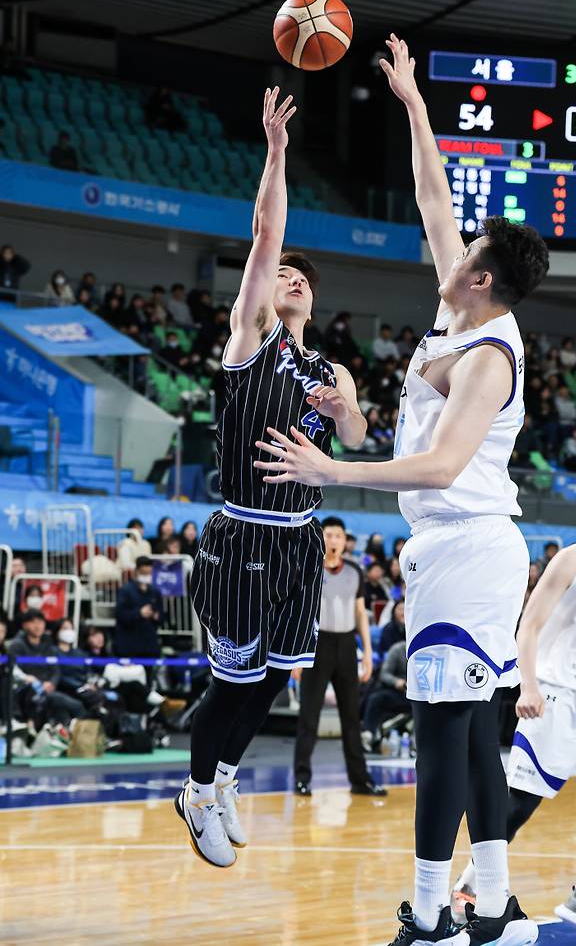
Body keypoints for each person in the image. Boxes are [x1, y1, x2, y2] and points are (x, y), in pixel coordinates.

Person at [253, 35, 548, 945]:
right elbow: (433, 198)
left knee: (438, 731)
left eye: (467, 252)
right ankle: (490, 904)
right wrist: (416, 105)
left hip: (466, 542)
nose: (450, 249)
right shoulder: (454, 317)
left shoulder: (490, 355)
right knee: (464, 735)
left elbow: (441, 466)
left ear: (483, 277)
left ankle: (431, 911)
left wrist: (335, 470)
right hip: (458, 550)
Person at [175, 86, 366, 869]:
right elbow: (264, 234)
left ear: (314, 300)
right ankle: (194, 789)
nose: (289, 276)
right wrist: (278, 153)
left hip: (299, 540)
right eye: (282, 272)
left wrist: (341, 408)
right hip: (243, 532)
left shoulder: (331, 367)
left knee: (273, 681)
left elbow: (354, 437)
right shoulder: (251, 341)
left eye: (300, 277)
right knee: (231, 681)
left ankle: (222, 779)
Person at [453, 471, 576, 940]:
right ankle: (466, 892)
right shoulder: (571, 559)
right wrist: (529, 687)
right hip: (556, 697)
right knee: (519, 805)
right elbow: (530, 625)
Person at [293, 516, 385, 797]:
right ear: (321, 537)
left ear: (345, 541)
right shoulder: (307, 569)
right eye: (329, 535)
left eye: (338, 536)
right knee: (309, 714)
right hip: (316, 645)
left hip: (346, 644)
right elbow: (298, 612)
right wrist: (295, 655)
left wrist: (367, 653)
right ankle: (302, 777)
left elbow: (360, 613)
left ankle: (360, 780)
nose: (333, 540)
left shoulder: (355, 572)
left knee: (351, 715)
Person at [9, 609, 85, 726]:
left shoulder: (48, 643)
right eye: (33, 622)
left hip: (48, 689)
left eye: (40, 622)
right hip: (27, 690)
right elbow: (15, 671)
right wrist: (32, 680)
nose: (37, 626)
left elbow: (55, 670)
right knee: (72, 706)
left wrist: (52, 683)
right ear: (24, 625)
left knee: (64, 709)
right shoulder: (17, 645)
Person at [362, 639, 411, 752]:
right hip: (400, 693)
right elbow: (384, 674)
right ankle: (368, 734)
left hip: (419, 696)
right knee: (375, 699)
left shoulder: (423, 651)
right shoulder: (397, 649)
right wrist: (396, 682)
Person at [113, 558, 163, 660]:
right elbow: (120, 614)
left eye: (150, 573)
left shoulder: (155, 592)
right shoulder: (125, 591)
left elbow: (162, 615)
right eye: (144, 573)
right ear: (137, 571)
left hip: (149, 646)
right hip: (129, 645)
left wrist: (156, 616)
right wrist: (139, 613)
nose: (147, 576)